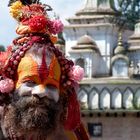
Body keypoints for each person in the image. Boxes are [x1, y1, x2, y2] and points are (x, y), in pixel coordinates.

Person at [0, 0, 89, 139]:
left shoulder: (70, 134)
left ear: (61, 91)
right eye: (30, 82)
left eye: (51, 85)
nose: (41, 92)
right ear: (11, 84)